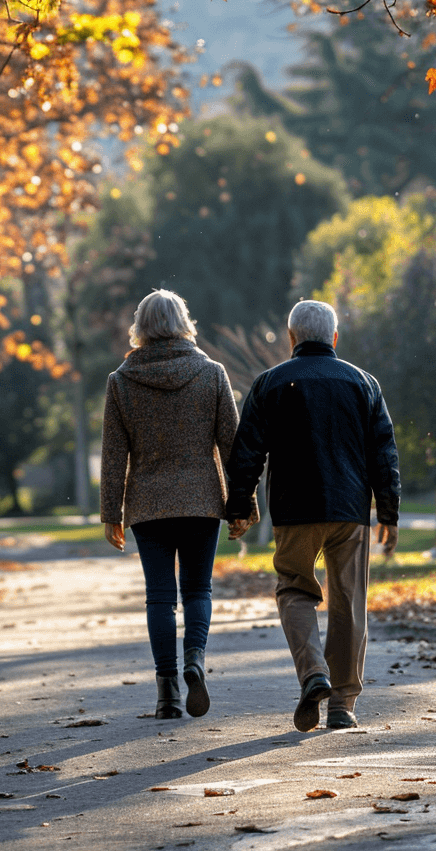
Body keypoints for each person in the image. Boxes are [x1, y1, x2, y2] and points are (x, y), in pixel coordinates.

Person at [225, 299, 400, 732]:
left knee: (294, 589)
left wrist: (239, 506)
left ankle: (313, 674)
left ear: (292, 338)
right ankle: (342, 704)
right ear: (334, 338)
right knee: (348, 601)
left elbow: (246, 453)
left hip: (294, 509)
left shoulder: (269, 383)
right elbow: (384, 453)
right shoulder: (364, 383)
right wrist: (389, 513)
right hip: (350, 510)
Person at [100, 289, 250, 720]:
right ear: (185, 322)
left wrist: (112, 514)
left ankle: (166, 693)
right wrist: (242, 505)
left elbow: (114, 455)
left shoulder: (121, 381)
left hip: (148, 504)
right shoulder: (212, 373)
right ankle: (195, 661)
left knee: (160, 598)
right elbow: (233, 447)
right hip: (202, 501)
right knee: (198, 590)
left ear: (140, 328)